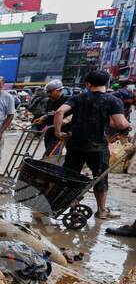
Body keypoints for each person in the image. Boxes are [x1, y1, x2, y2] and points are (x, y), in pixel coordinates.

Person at [53, 70, 131, 219]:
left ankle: (72, 205)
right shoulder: (113, 100)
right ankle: (101, 210)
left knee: (71, 175)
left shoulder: (78, 98)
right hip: (98, 146)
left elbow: (59, 112)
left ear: (88, 84)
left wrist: (58, 132)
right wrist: (127, 129)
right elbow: (120, 123)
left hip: (75, 144)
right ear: (106, 84)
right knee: (100, 177)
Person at [28, 79, 68, 156]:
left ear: (59, 90)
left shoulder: (67, 100)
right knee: (53, 156)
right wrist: (43, 118)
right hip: (49, 132)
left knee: (48, 156)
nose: (48, 94)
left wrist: (65, 121)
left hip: (60, 134)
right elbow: (49, 113)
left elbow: (74, 114)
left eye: (50, 92)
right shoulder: (49, 101)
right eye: (47, 92)